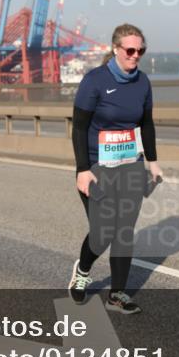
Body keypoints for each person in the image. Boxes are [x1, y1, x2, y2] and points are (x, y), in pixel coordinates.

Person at [67, 24, 162, 314]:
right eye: (130, 50)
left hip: (130, 166)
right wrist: (83, 169)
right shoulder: (95, 81)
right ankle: (82, 272)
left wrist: (152, 161)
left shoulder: (142, 82)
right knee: (103, 232)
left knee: (124, 232)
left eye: (140, 50)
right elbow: (79, 127)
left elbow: (146, 124)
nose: (136, 56)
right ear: (116, 49)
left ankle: (117, 294)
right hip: (97, 166)